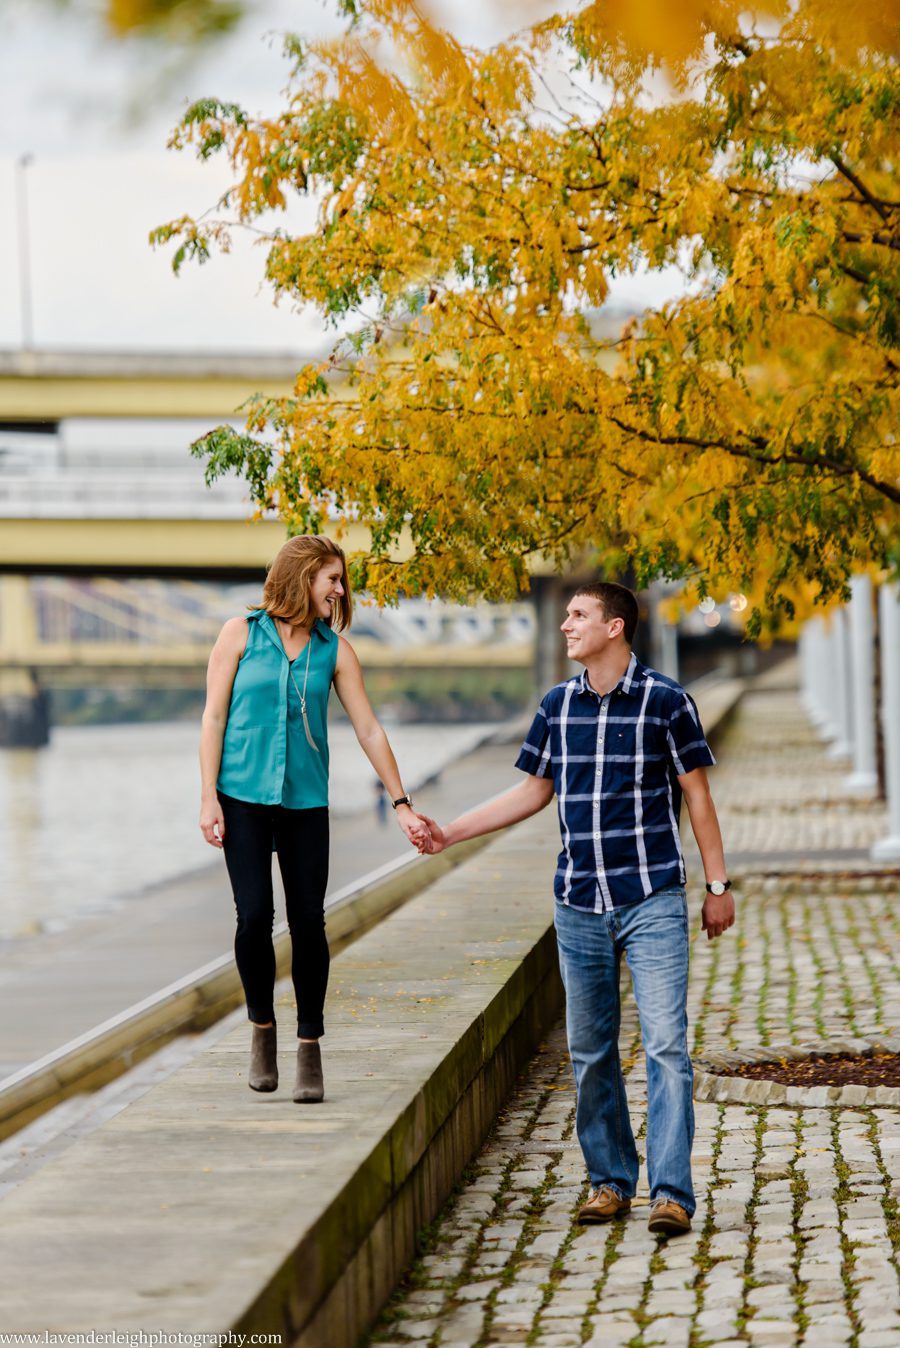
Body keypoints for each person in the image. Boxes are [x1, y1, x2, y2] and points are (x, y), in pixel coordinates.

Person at [412, 581, 734, 1236]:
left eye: (578, 615)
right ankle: (610, 1181)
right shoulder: (558, 706)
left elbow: (697, 794)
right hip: (578, 901)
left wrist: (718, 887)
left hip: (652, 898)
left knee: (667, 1045)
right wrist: (448, 833)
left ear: (615, 628)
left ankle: (670, 1194)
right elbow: (530, 794)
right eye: (565, 616)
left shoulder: (667, 702)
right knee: (590, 1050)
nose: (565, 625)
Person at [199, 535, 425, 1103]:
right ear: (303, 577)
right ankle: (261, 1031)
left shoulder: (336, 651)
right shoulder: (239, 634)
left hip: (304, 804)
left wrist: (401, 803)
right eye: (332, 579)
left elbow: (369, 729)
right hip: (242, 798)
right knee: (253, 918)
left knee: (308, 924)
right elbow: (213, 717)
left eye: (341, 580)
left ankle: (309, 1045)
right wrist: (207, 797)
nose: (340, 590)